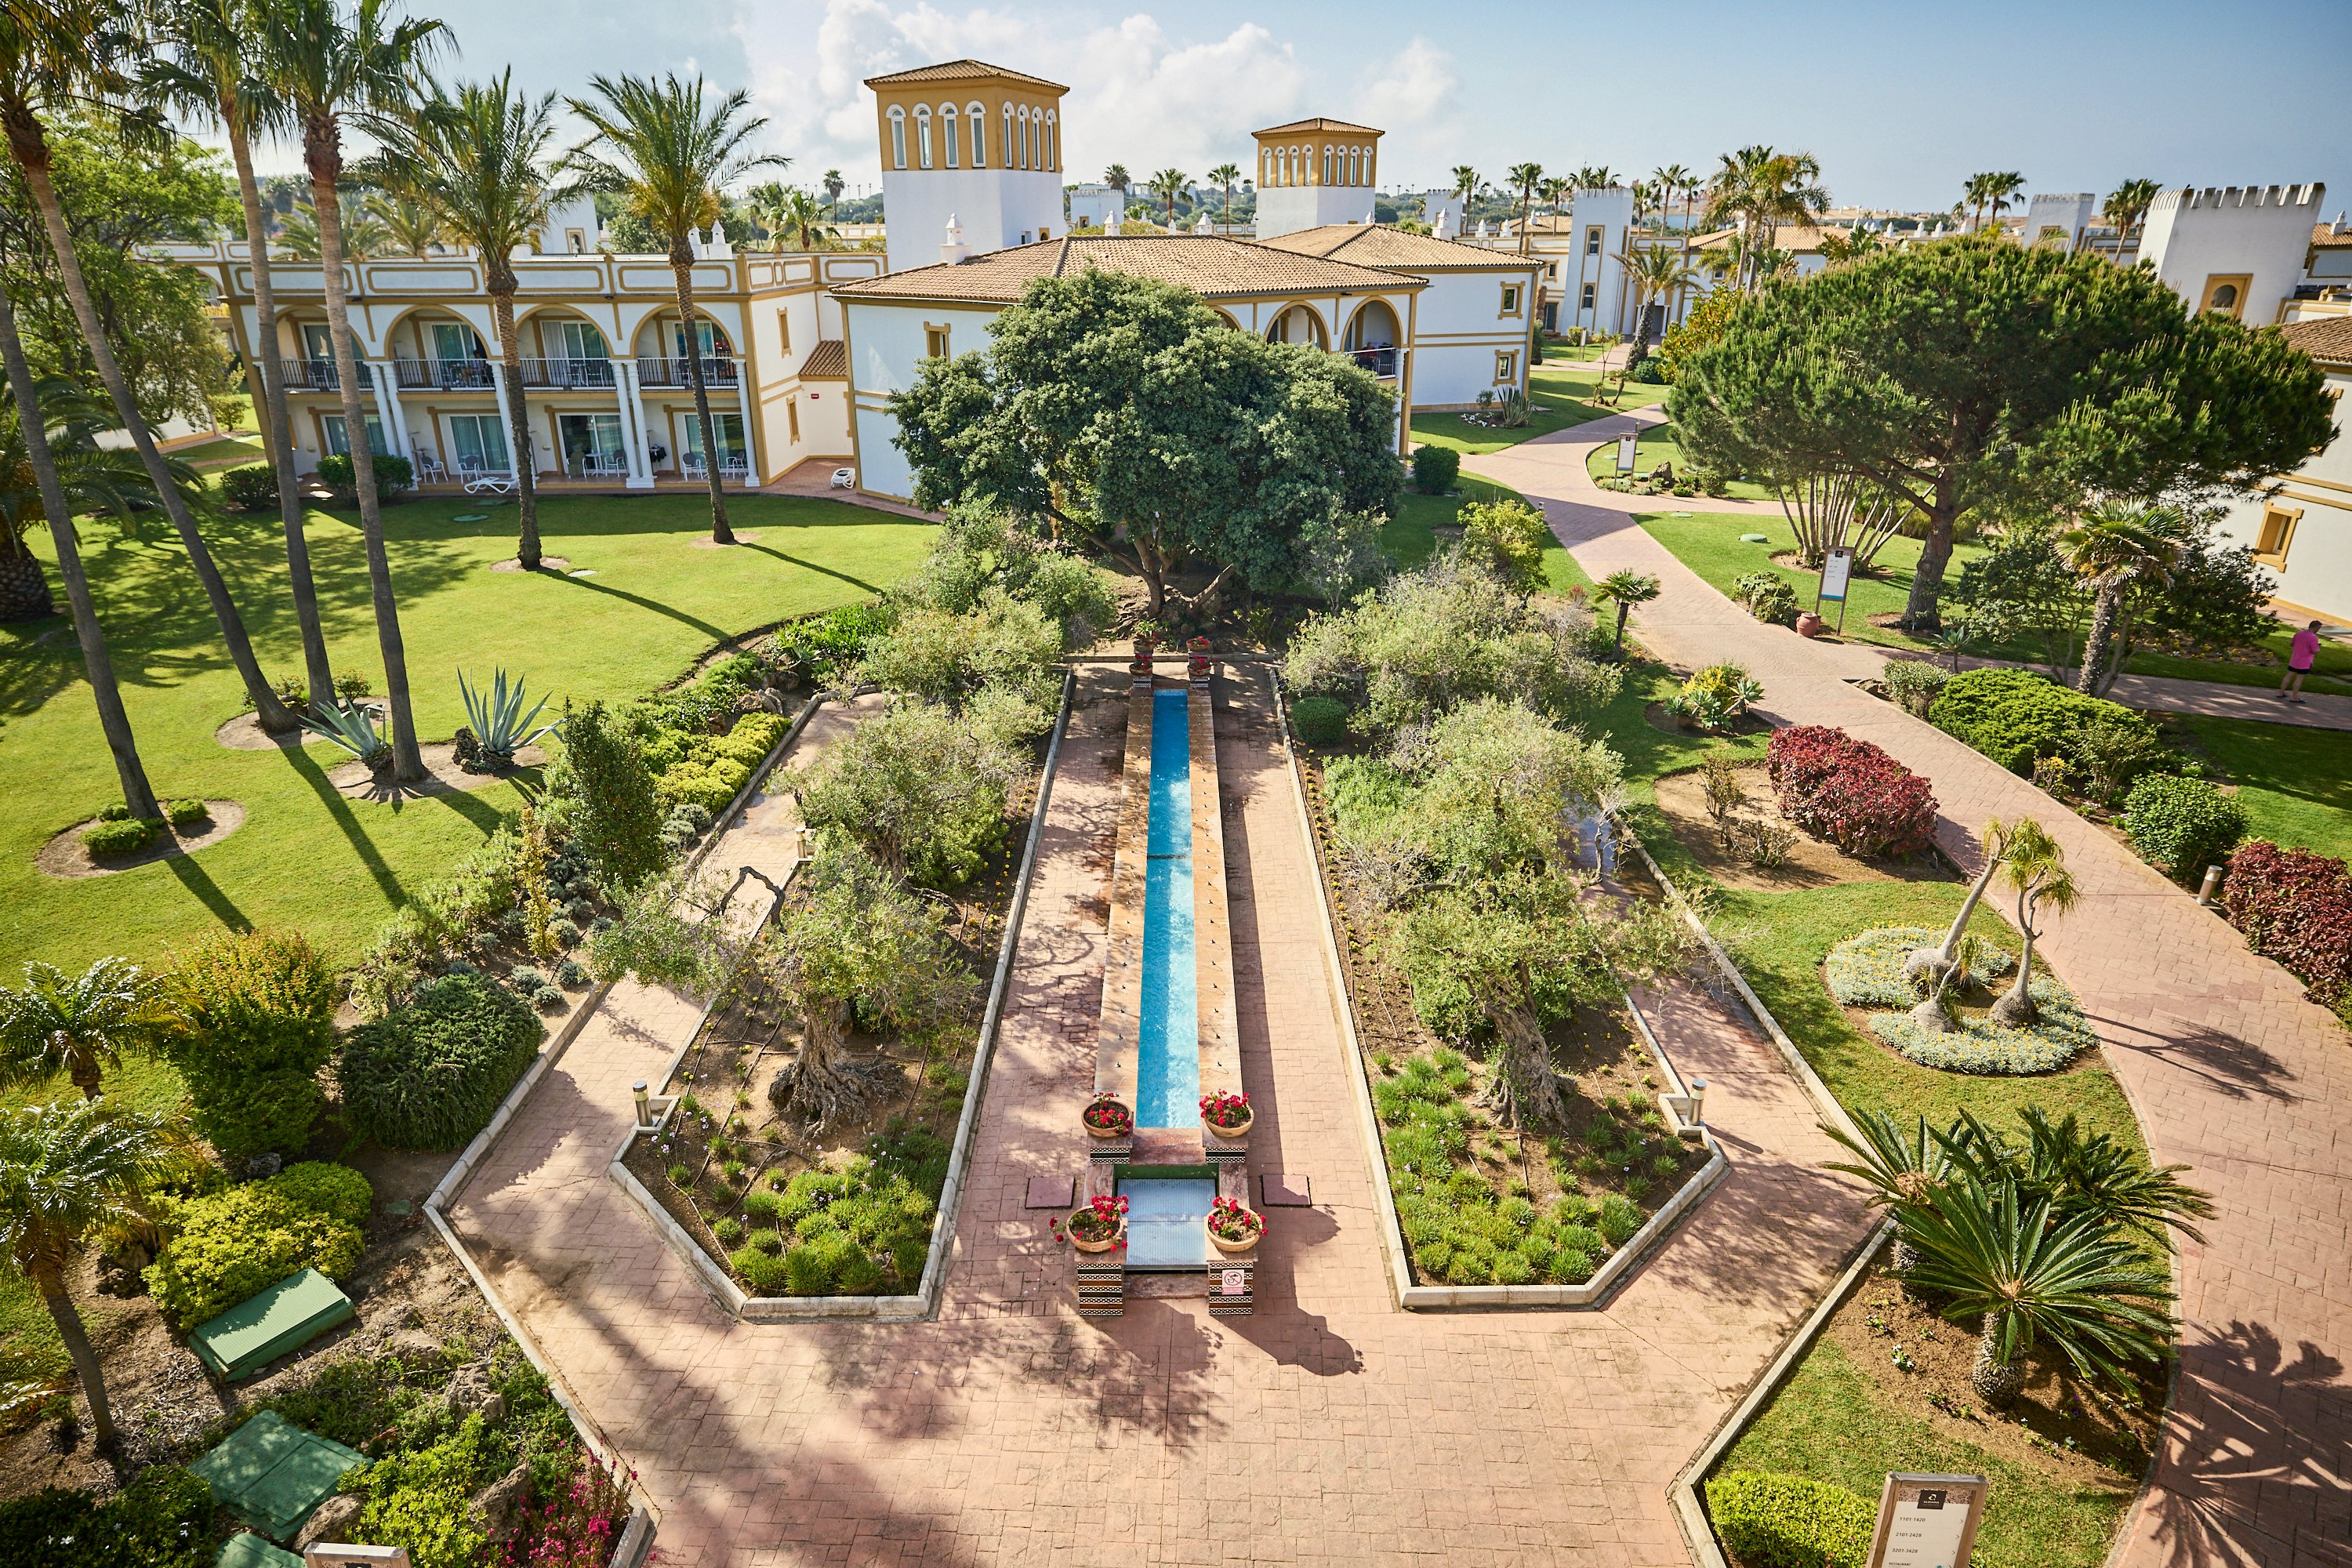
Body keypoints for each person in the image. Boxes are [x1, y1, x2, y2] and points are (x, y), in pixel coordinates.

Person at [2279, 619, 2324, 703]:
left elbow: (2292, 644)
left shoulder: (2298, 634)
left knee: (2289, 675)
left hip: (2295, 659)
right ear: (2316, 628)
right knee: (2299, 678)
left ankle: (2281, 692)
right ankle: (2294, 697)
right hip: (2305, 662)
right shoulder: (2313, 638)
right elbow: (2315, 651)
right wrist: (2318, 648)